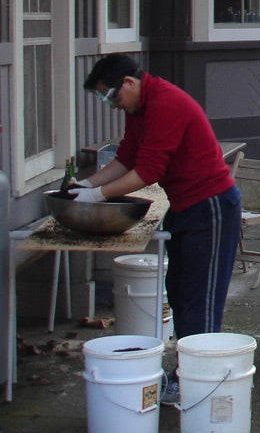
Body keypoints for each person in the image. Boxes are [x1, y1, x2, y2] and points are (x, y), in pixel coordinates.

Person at [75, 53, 242, 405]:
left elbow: (147, 171)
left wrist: (97, 195)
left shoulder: (164, 104)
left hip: (210, 207)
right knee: (179, 291)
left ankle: (200, 382)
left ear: (130, 83)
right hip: (184, 206)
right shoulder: (140, 109)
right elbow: (126, 158)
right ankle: (186, 374)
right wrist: (84, 187)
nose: (112, 105)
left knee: (200, 300)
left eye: (112, 97)